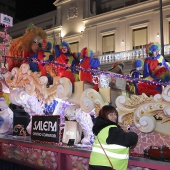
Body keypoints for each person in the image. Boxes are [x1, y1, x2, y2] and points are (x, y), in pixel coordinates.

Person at [89, 105, 138, 170]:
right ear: (104, 116)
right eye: (110, 114)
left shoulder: (100, 129)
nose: (114, 117)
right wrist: (134, 135)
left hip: (95, 163)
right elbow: (128, 140)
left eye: (115, 114)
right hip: (106, 166)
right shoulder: (111, 129)